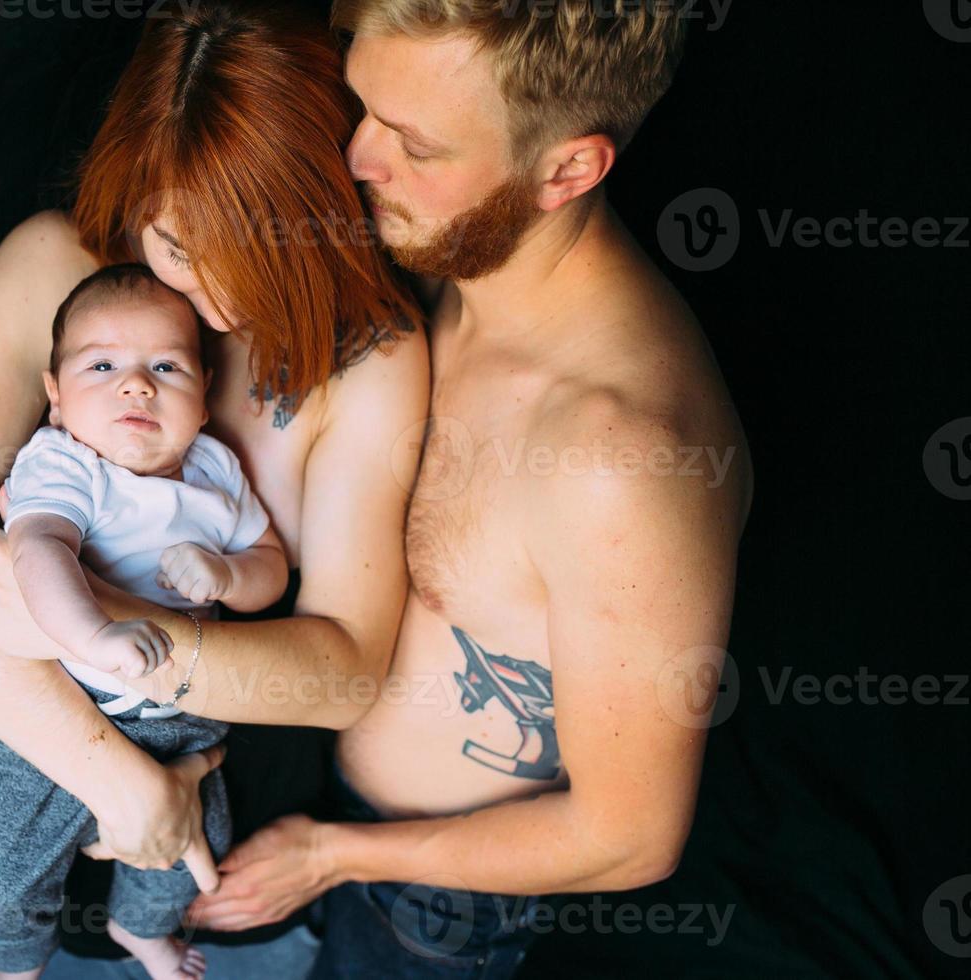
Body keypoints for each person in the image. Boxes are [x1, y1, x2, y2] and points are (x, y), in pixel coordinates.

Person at [176, 2, 756, 977]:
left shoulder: (618, 456)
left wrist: (337, 855)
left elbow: (630, 833)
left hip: (428, 899)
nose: (358, 159)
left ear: (566, 170)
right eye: (364, 108)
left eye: (416, 144)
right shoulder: (446, 254)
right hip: (295, 784)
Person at [0, 2, 428, 974]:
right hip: (47, 789)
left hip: (232, 862)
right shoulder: (60, 268)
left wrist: (73, 628)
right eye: (174, 244)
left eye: (253, 254)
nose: (214, 296)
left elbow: (345, 674)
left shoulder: (371, 359)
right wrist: (121, 783)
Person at [0, 262, 287, 979]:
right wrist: (96, 634)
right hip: (61, 708)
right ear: (55, 397)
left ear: (203, 395)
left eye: (166, 365)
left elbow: (270, 563)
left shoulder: (215, 471)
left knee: (198, 841)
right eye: (103, 365)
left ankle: (141, 928)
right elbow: (37, 553)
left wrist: (229, 574)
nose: (137, 384)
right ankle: (16, 959)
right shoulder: (66, 465)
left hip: (185, 714)